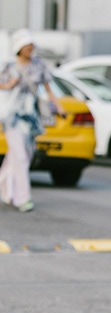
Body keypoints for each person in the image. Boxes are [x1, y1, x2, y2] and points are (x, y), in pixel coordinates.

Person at [0, 28, 64, 212]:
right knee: (19, 156)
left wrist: (58, 107)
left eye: (31, 46)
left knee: (22, 155)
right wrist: (8, 85)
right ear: (19, 47)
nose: (30, 49)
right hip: (13, 115)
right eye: (27, 46)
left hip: (31, 115)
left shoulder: (39, 65)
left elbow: (49, 89)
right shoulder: (9, 66)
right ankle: (23, 198)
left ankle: (4, 187)